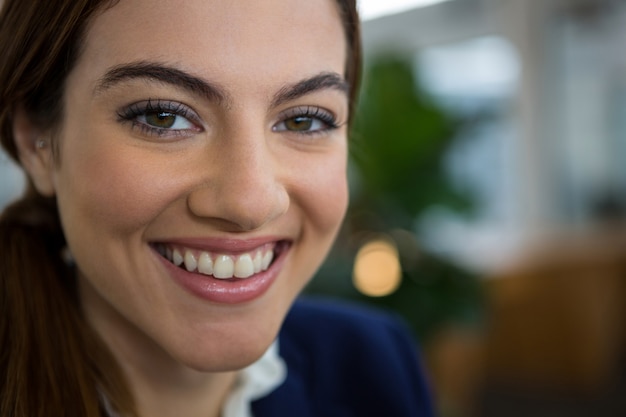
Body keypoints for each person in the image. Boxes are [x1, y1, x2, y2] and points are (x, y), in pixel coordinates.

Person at [0, 1, 434, 416]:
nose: (250, 203)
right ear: (35, 141)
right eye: (163, 117)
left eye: (304, 119)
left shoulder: (375, 363)